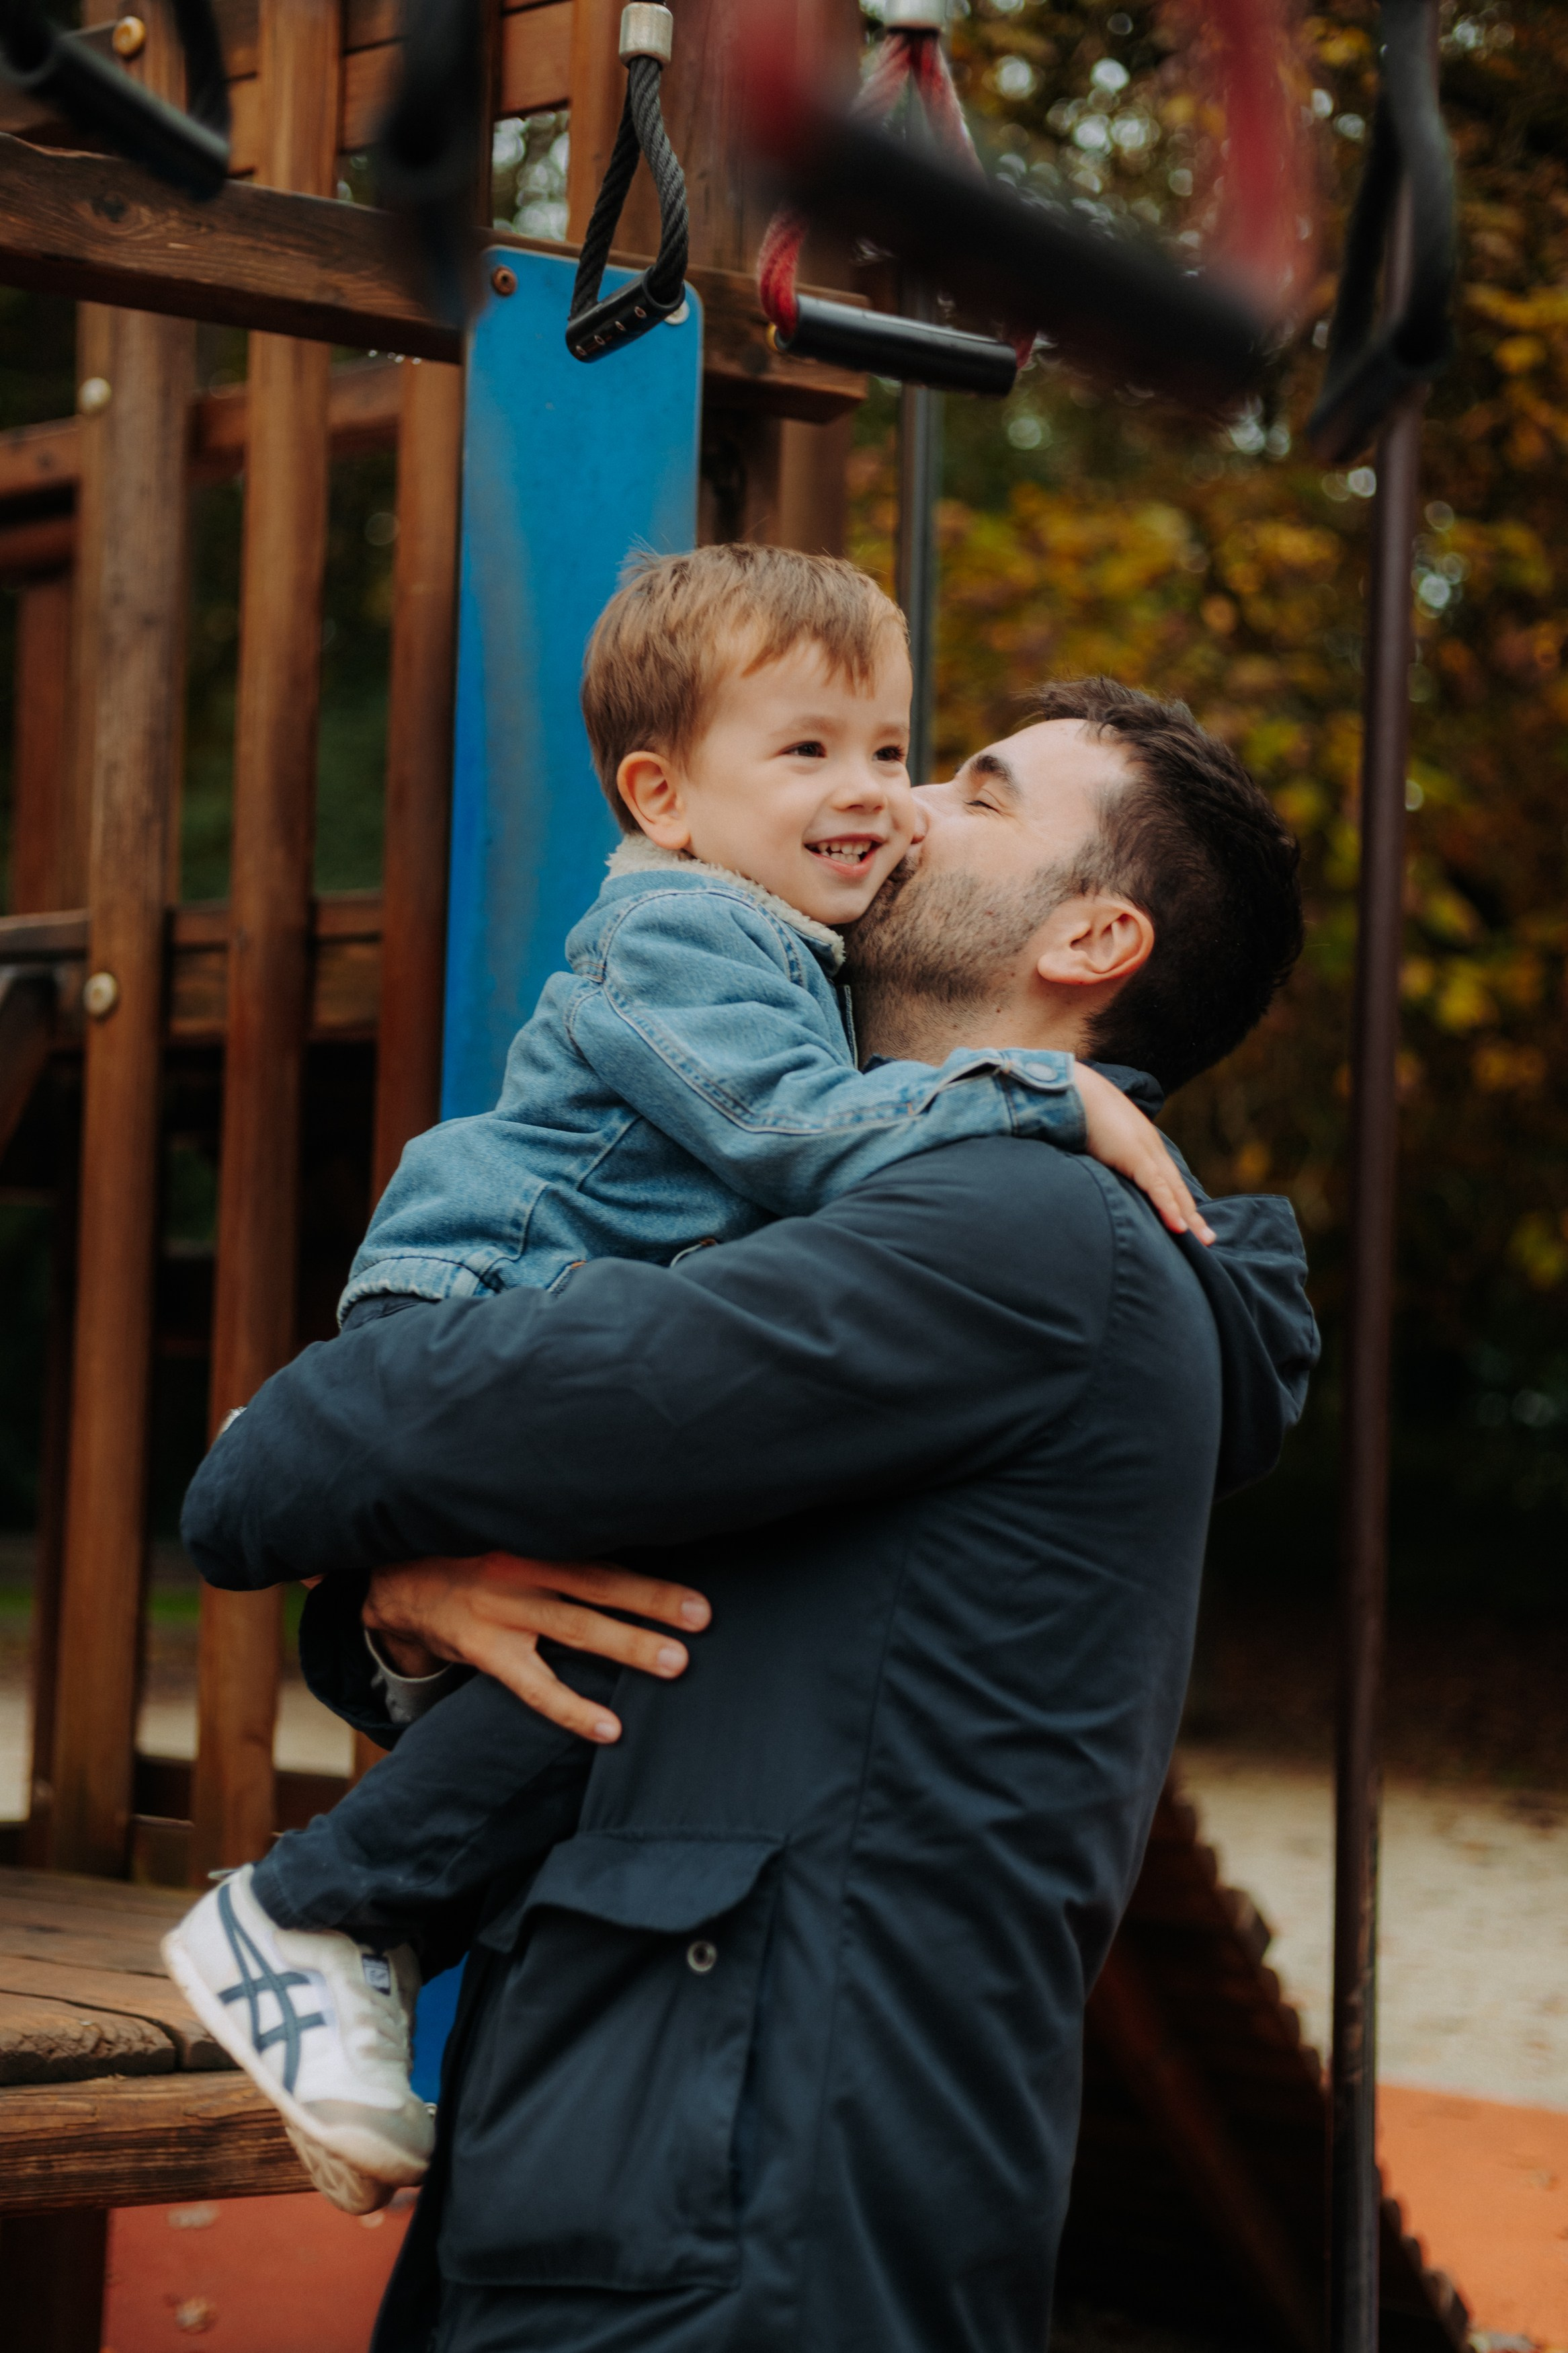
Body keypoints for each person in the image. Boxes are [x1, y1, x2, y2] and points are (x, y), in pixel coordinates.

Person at [181, 676, 1317, 2353]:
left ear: (1091, 938)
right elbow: (655, 1592)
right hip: (652, 2146)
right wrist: (398, 1601)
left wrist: (271, 1447)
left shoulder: (1030, 1231)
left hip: (751, 2209)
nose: (904, 801)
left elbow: (457, 1417)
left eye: (980, 791)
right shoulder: (925, 1216)